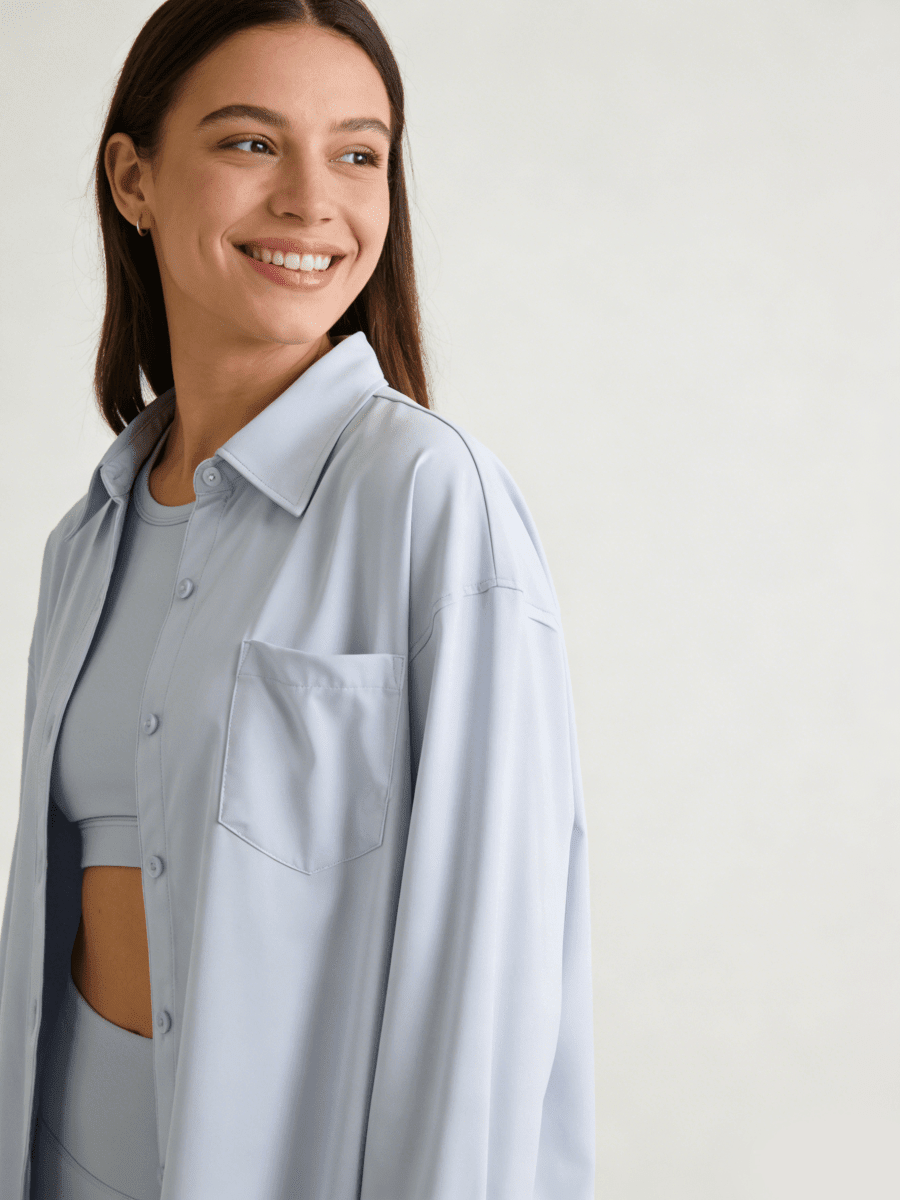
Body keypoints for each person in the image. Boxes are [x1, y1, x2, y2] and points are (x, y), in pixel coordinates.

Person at [0, 1, 596, 1197]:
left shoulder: (430, 500)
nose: (313, 202)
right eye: (251, 142)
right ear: (134, 178)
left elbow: (485, 977)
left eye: (359, 154)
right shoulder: (89, 537)